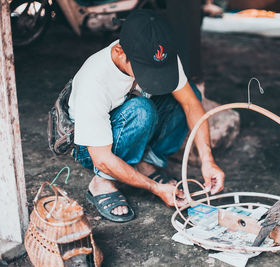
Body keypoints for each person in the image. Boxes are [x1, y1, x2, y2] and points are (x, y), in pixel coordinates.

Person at [67, 9, 225, 222]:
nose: (153, 76)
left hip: (132, 123)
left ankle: (143, 161)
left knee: (189, 95)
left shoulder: (159, 54)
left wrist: (208, 160)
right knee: (141, 110)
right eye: (145, 70)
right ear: (120, 52)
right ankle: (102, 182)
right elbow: (102, 158)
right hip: (93, 149)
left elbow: (191, 104)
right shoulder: (94, 81)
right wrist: (154, 188)